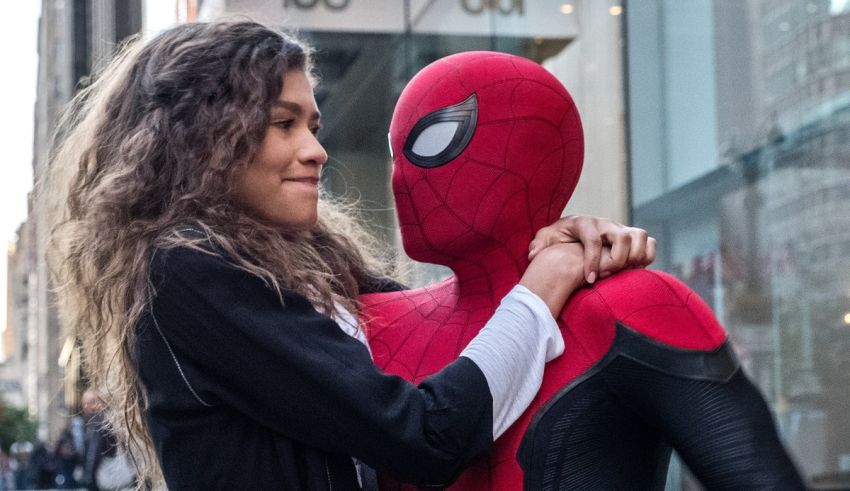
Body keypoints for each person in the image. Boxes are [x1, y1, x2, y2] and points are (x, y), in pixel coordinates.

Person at [48, 21, 654, 490]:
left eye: (312, 124)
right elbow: (424, 433)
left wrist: (553, 243)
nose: (316, 150)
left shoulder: (300, 263)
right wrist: (544, 282)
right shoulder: (188, 272)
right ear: (202, 139)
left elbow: (445, 331)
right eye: (284, 124)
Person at [365, 51, 805, 490]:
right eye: (393, 153)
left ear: (531, 150)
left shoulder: (630, 305)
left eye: (434, 140)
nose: (400, 179)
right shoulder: (364, 320)